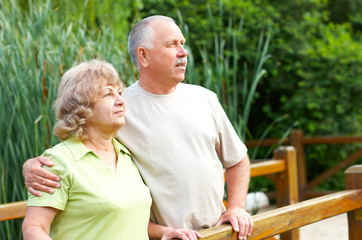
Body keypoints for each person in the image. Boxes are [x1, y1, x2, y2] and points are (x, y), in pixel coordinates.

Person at [23, 16, 253, 240]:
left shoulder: (205, 99)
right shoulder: (120, 110)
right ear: (143, 55)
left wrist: (236, 207)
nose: (183, 52)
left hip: (218, 233)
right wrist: (31, 166)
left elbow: (237, 159)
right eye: (172, 44)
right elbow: (76, 148)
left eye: (182, 44)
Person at [21, 59, 152, 240]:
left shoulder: (126, 153)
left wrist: (165, 232)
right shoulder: (57, 161)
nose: (121, 100)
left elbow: (126, 219)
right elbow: (34, 227)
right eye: (108, 94)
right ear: (82, 106)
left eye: (119, 92)